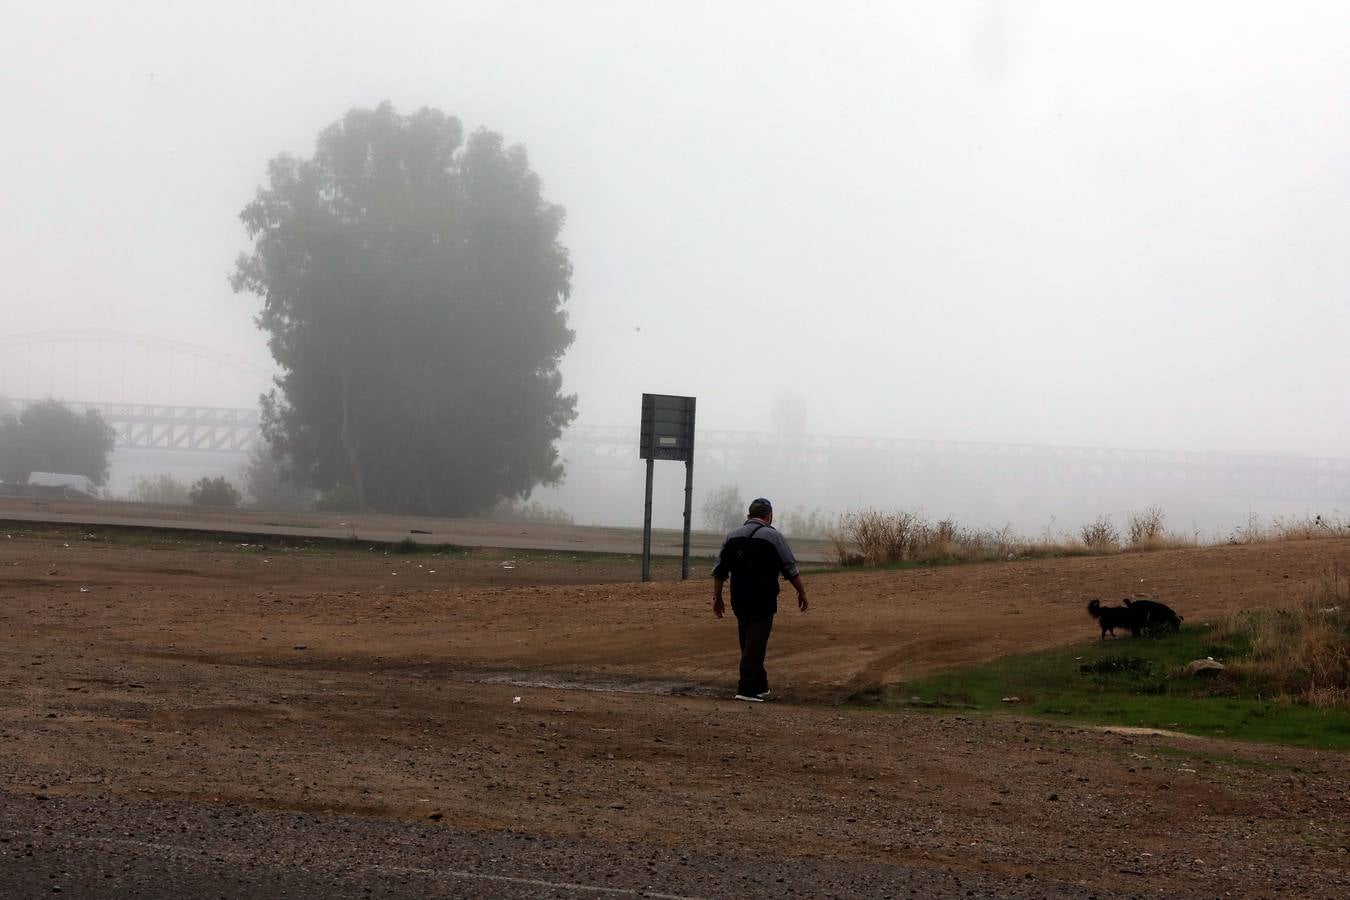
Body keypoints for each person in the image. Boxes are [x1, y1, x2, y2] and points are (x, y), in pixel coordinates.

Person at [711, 497, 808, 702]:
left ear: (749, 516)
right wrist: (802, 592)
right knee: (755, 642)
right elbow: (790, 568)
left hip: (739, 598)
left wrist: (717, 597)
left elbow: (720, 571)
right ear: (769, 516)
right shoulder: (774, 537)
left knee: (749, 641)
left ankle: (759, 685)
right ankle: (746, 689)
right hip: (763, 599)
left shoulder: (732, 536)